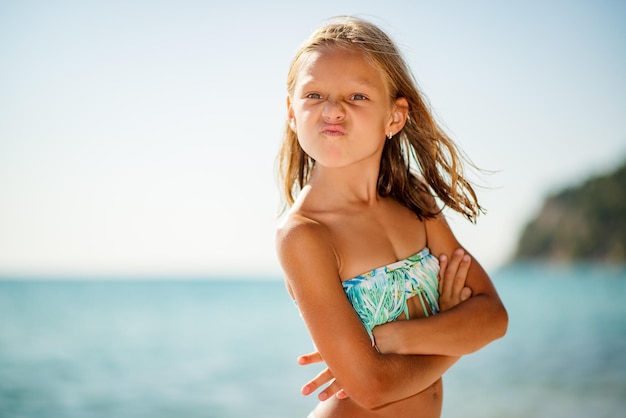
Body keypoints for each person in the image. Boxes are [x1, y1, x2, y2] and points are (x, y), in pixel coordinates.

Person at [275, 16, 508, 418]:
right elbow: (372, 387)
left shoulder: (413, 200)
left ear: (395, 117)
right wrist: (452, 333)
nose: (332, 110)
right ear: (292, 112)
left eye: (357, 97)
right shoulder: (305, 235)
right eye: (314, 95)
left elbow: (493, 316)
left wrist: (394, 337)